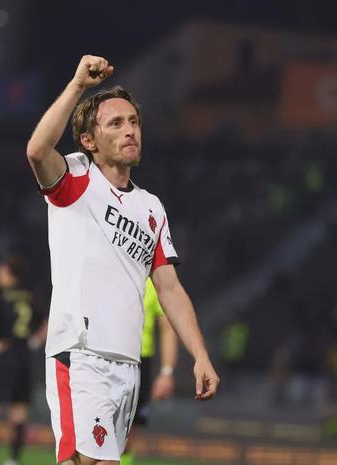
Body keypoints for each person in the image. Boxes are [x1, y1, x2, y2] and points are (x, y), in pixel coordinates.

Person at [25, 55, 220, 465]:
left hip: (128, 364)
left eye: (133, 122)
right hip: (82, 354)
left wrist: (200, 355)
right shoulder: (77, 177)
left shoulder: (151, 208)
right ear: (89, 141)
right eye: (115, 123)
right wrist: (77, 85)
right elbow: (38, 150)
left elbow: (170, 289)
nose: (130, 130)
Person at [0, 256, 48, 465]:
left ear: (9, 273)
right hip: (24, 356)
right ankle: (13, 460)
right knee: (19, 410)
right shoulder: (30, 295)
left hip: (3, 354)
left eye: (1, 271)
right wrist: (36, 340)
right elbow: (47, 320)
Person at [121, 278, 178, 465]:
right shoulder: (110, 273)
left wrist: (166, 373)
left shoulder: (153, 283)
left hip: (140, 362)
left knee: (130, 431)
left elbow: (167, 328)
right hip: (107, 357)